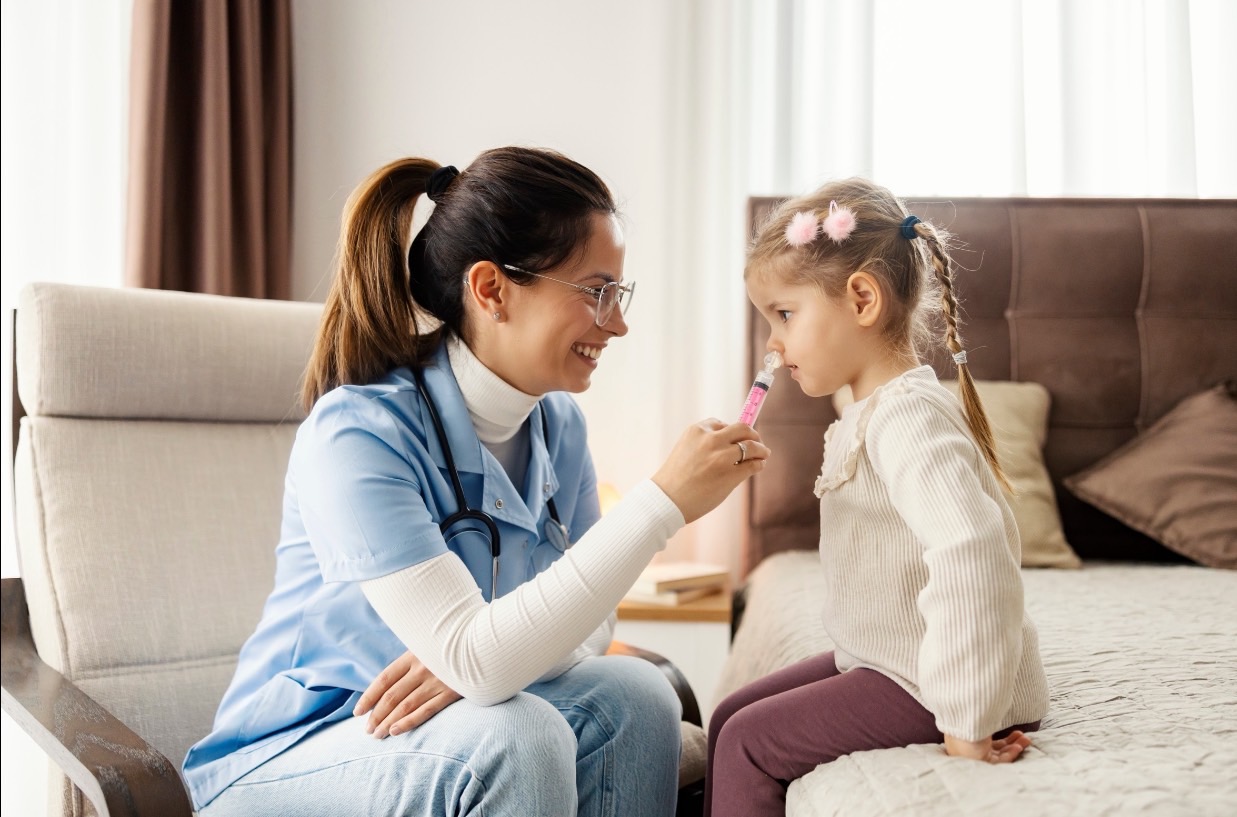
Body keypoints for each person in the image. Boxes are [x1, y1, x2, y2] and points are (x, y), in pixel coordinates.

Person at [182, 147, 768, 817]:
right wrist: (662, 503)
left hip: (438, 730)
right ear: (490, 289)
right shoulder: (358, 434)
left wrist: (482, 664)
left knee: (638, 695)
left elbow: (591, 624)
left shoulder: (558, 426)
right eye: (596, 292)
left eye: (619, 293)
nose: (618, 323)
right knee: (515, 735)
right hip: (288, 754)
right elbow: (481, 659)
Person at [705, 178, 1049, 817]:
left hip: (929, 680)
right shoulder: (873, 413)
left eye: (784, 315)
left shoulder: (908, 419)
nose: (772, 345)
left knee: (748, 742)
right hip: (886, 658)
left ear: (862, 298)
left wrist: (967, 719)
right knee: (729, 715)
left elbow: (973, 550)